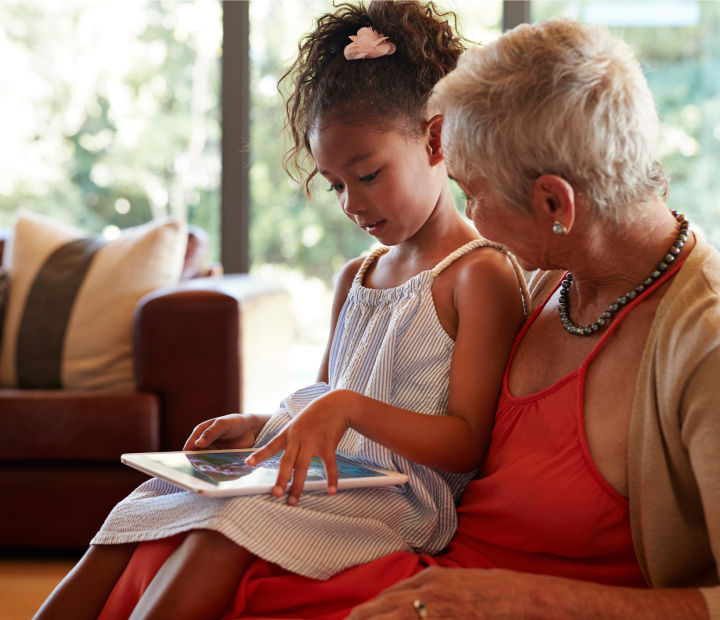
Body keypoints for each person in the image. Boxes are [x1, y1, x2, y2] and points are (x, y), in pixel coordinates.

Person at [57, 17, 718, 620]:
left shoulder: (699, 346)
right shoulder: (556, 271)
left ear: (554, 201)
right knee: (155, 538)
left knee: (214, 556)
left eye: (476, 193)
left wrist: (527, 601)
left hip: (468, 578)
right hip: (434, 571)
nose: (471, 218)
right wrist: (279, 428)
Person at [35, 3, 529, 619]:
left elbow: (465, 443)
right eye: (335, 184)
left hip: (399, 499)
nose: (352, 203)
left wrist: (344, 408)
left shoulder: (479, 275)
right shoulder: (358, 275)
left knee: (228, 526)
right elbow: (328, 392)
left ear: (436, 139)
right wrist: (265, 426)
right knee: (146, 502)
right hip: (328, 475)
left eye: (369, 174)